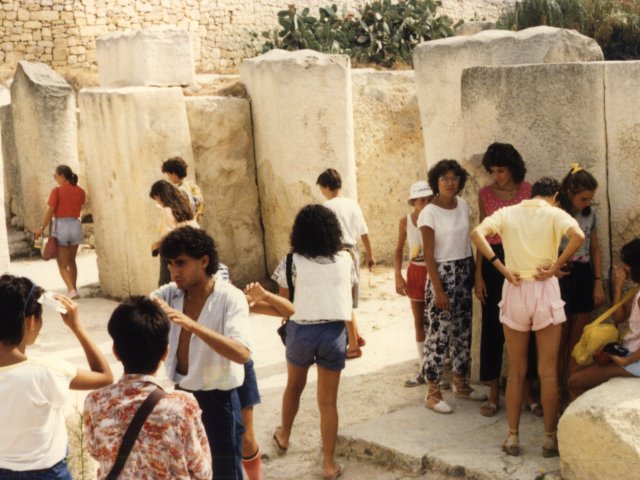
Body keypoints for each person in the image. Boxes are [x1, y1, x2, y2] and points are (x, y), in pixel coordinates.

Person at [471, 177, 584, 458]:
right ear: (555, 196)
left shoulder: (508, 212)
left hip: (516, 286)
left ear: (531, 194)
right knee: (547, 372)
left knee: (517, 369)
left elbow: (477, 233)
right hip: (544, 288)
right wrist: (556, 265)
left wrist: (500, 267)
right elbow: (579, 236)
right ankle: (549, 439)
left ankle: (512, 437)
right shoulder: (555, 213)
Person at [152, 226, 251, 480]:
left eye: (181, 263)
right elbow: (140, 309)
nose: (175, 271)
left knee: (225, 473)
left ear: (204, 261)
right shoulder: (169, 295)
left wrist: (192, 325)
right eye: (171, 264)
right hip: (182, 396)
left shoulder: (231, 298)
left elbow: (241, 353)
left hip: (220, 400)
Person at [271, 204, 356, 480]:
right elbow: (348, 302)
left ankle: (284, 436)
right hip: (333, 332)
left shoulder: (290, 262)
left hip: (301, 332)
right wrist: (354, 337)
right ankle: (329, 464)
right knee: (328, 402)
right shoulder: (346, 259)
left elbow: (285, 306)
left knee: (294, 387)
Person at [84, 296, 212, 479]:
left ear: (115, 351)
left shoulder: (95, 402)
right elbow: (202, 471)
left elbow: (96, 451)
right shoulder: (183, 406)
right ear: (166, 353)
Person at [0, 274, 113, 478]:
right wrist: (76, 327)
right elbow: (104, 375)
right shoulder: (47, 371)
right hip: (49, 473)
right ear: (31, 321)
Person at [473, 143, 540, 418]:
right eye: (493, 171)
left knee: (526, 325)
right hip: (493, 260)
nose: (497, 176)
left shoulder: (528, 190)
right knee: (492, 326)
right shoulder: (485, 194)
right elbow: (481, 234)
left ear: (512, 167)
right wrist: (478, 274)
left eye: (501, 170)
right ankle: (493, 392)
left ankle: (526, 390)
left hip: (523, 259)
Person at [419, 159, 486, 414]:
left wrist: (475, 275)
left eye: (454, 178)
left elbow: (467, 242)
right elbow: (427, 255)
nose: (450, 183)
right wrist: (438, 289)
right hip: (441, 274)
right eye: (444, 178)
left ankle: (461, 383)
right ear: (436, 182)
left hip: (463, 270)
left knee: (462, 330)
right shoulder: (429, 212)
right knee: (439, 334)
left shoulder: (463, 205)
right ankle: (433, 392)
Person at [568, 238, 640, 400]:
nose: (623, 268)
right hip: (630, 353)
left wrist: (624, 361)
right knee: (577, 373)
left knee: (574, 381)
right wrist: (618, 288)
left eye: (626, 264)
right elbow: (619, 316)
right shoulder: (637, 291)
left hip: (635, 360)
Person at [239, 281, 295, 480]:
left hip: (238, 370)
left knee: (246, 438)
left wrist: (264, 294)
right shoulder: (181, 300)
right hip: (201, 377)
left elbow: (288, 310)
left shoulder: (232, 299)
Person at [317, 168, 374, 359]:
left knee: (341, 300)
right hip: (353, 251)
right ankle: (357, 335)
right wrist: (370, 255)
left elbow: (324, 236)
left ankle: (354, 346)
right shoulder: (352, 204)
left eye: (322, 189)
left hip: (338, 253)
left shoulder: (326, 207)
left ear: (326, 186)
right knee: (347, 298)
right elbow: (364, 231)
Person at [557, 164, 605, 379]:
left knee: (578, 338)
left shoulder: (590, 214)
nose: (587, 203)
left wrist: (598, 281)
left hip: (584, 273)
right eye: (583, 199)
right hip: (562, 274)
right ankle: (555, 388)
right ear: (570, 193)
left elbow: (594, 247)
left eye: (590, 199)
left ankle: (572, 385)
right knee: (559, 336)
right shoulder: (556, 213)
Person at [394, 180, 434, 387]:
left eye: (429, 200)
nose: (425, 204)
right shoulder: (406, 221)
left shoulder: (436, 217)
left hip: (434, 271)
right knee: (419, 320)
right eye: (421, 200)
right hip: (416, 272)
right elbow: (399, 249)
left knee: (435, 320)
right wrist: (398, 276)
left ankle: (436, 368)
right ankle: (423, 367)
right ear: (413, 202)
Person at [34, 165, 86, 299]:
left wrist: (41, 227)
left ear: (62, 176)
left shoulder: (57, 191)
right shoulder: (81, 191)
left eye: (55, 176)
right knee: (71, 261)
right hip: (76, 224)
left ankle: (71, 290)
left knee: (61, 263)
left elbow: (50, 211)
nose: (55, 179)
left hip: (61, 226)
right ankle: (73, 289)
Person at [149, 180, 198, 286]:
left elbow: (169, 237)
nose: (157, 202)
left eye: (156, 198)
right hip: (189, 252)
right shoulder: (185, 208)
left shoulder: (167, 211)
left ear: (160, 195)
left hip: (172, 254)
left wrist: (155, 246)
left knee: (165, 287)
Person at [162, 156, 204, 223]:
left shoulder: (179, 191)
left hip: (187, 228)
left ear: (174, 174)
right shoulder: (194, 186)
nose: (168, 178)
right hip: (196, 225)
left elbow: (180, 215)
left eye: (168, 175)